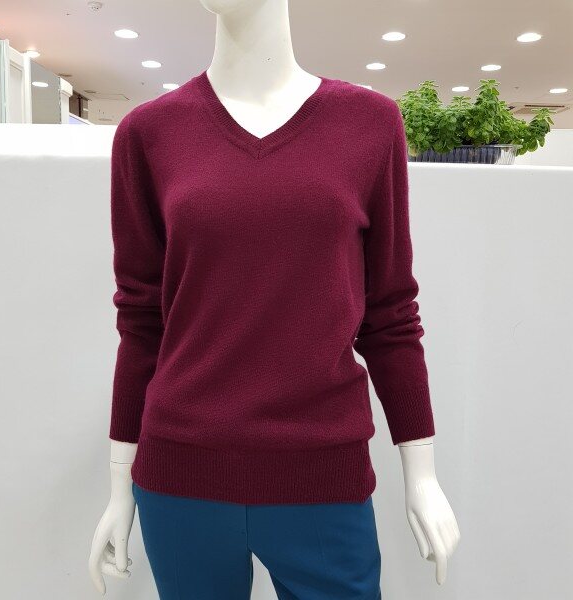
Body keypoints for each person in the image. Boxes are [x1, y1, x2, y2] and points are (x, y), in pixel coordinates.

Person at [89, 1, 460, 598]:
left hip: (323, 476)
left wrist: (422, 474)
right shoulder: (148, 132)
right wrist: (118, 484)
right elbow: (141, 320)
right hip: (181, 479)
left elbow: (390, 314)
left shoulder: (369, 123)